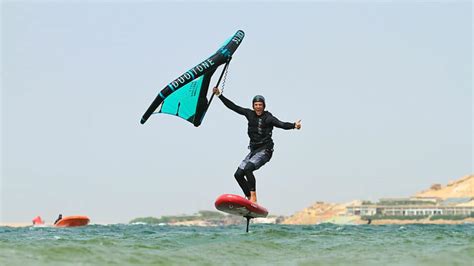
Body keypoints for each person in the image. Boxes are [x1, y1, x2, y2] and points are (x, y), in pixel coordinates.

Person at [213, 87, 301, 203]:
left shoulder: (268, 118)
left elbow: (282, 124)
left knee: (248, 168)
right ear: (253, 106)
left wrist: (294, 125)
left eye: (260, 104)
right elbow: (234, 107)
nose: (258, 106)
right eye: (256, 104)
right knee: (238, 174)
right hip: (253, 151)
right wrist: (219, 95)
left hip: (266, 150)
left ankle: (254, 198)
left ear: (264, 106)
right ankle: (248, 197)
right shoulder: (249, 114)